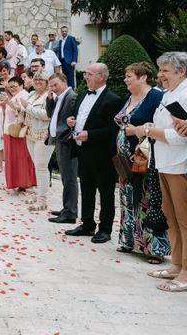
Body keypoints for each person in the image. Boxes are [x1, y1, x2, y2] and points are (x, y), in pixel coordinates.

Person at [133, 52, 187, 292]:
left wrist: (147, 130)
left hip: (180, 164)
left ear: (181, 71)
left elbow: (179, 137)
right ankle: (176, 264)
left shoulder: (186, 94)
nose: (161, 75)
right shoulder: (167, 95)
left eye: (166, 70)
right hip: (163, 162)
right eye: (161, 70)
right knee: (172, 218)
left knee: (185, 220)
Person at [114, 63, 169, 263]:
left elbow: (160, 124)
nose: (126, 80)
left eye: (129, 76)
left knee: (148, 199)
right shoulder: (129, 97)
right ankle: (129, 241)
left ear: (143, 77)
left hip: (144, 157)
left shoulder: (155, 96)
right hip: (125, 159)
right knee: (128, 199)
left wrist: (135, 130)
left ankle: (154, 248)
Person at [65, 63, 122, 244]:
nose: (86, 77)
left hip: (102, 153)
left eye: (89, 74)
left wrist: (90, 134)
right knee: (87, 189)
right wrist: (71, 121)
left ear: (101, 76)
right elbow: (79, 117)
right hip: (82, 150)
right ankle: (87, 224)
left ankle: (105, 229)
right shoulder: (82, 94)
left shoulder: (113, 99)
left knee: (105, 192)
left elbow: (113, 130)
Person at [46, 73, 79, 224]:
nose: (53, 88)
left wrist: (67, 136)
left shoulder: (71, 97)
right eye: (51, 85)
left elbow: (75, 120)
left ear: (64, 81)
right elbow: (50, 114)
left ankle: (70, 212)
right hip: (59, 140)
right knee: (66, 177)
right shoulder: (59, 97)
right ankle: (67, 208)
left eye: (56, 85)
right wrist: (49, 98)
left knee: (70, 178)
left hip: (67, 141)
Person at [19, 71, 54, 211]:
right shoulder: (32, 94)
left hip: (45, 135)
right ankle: (39, 193)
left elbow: (47, 115)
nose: (38, 81)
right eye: (36, 79)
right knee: (36, 165)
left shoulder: (50, 96)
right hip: (31, 133)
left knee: (41, 166)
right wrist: (20, 110)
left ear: (46, 82)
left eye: (41, 79)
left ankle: (42, 200)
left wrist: (28, 107)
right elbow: (26, 112)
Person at [3, 77, 36, 192]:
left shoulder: (24, 95)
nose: (12, 88)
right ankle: (20, 183)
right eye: (10, 86)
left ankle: (27, 183)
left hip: (19, 131)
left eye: (14, 86)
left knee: (22, 157)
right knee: (15, 158)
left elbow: (22, 111)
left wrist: (8, 102)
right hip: (11, 130)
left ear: (21, 85)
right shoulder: (15, 96)